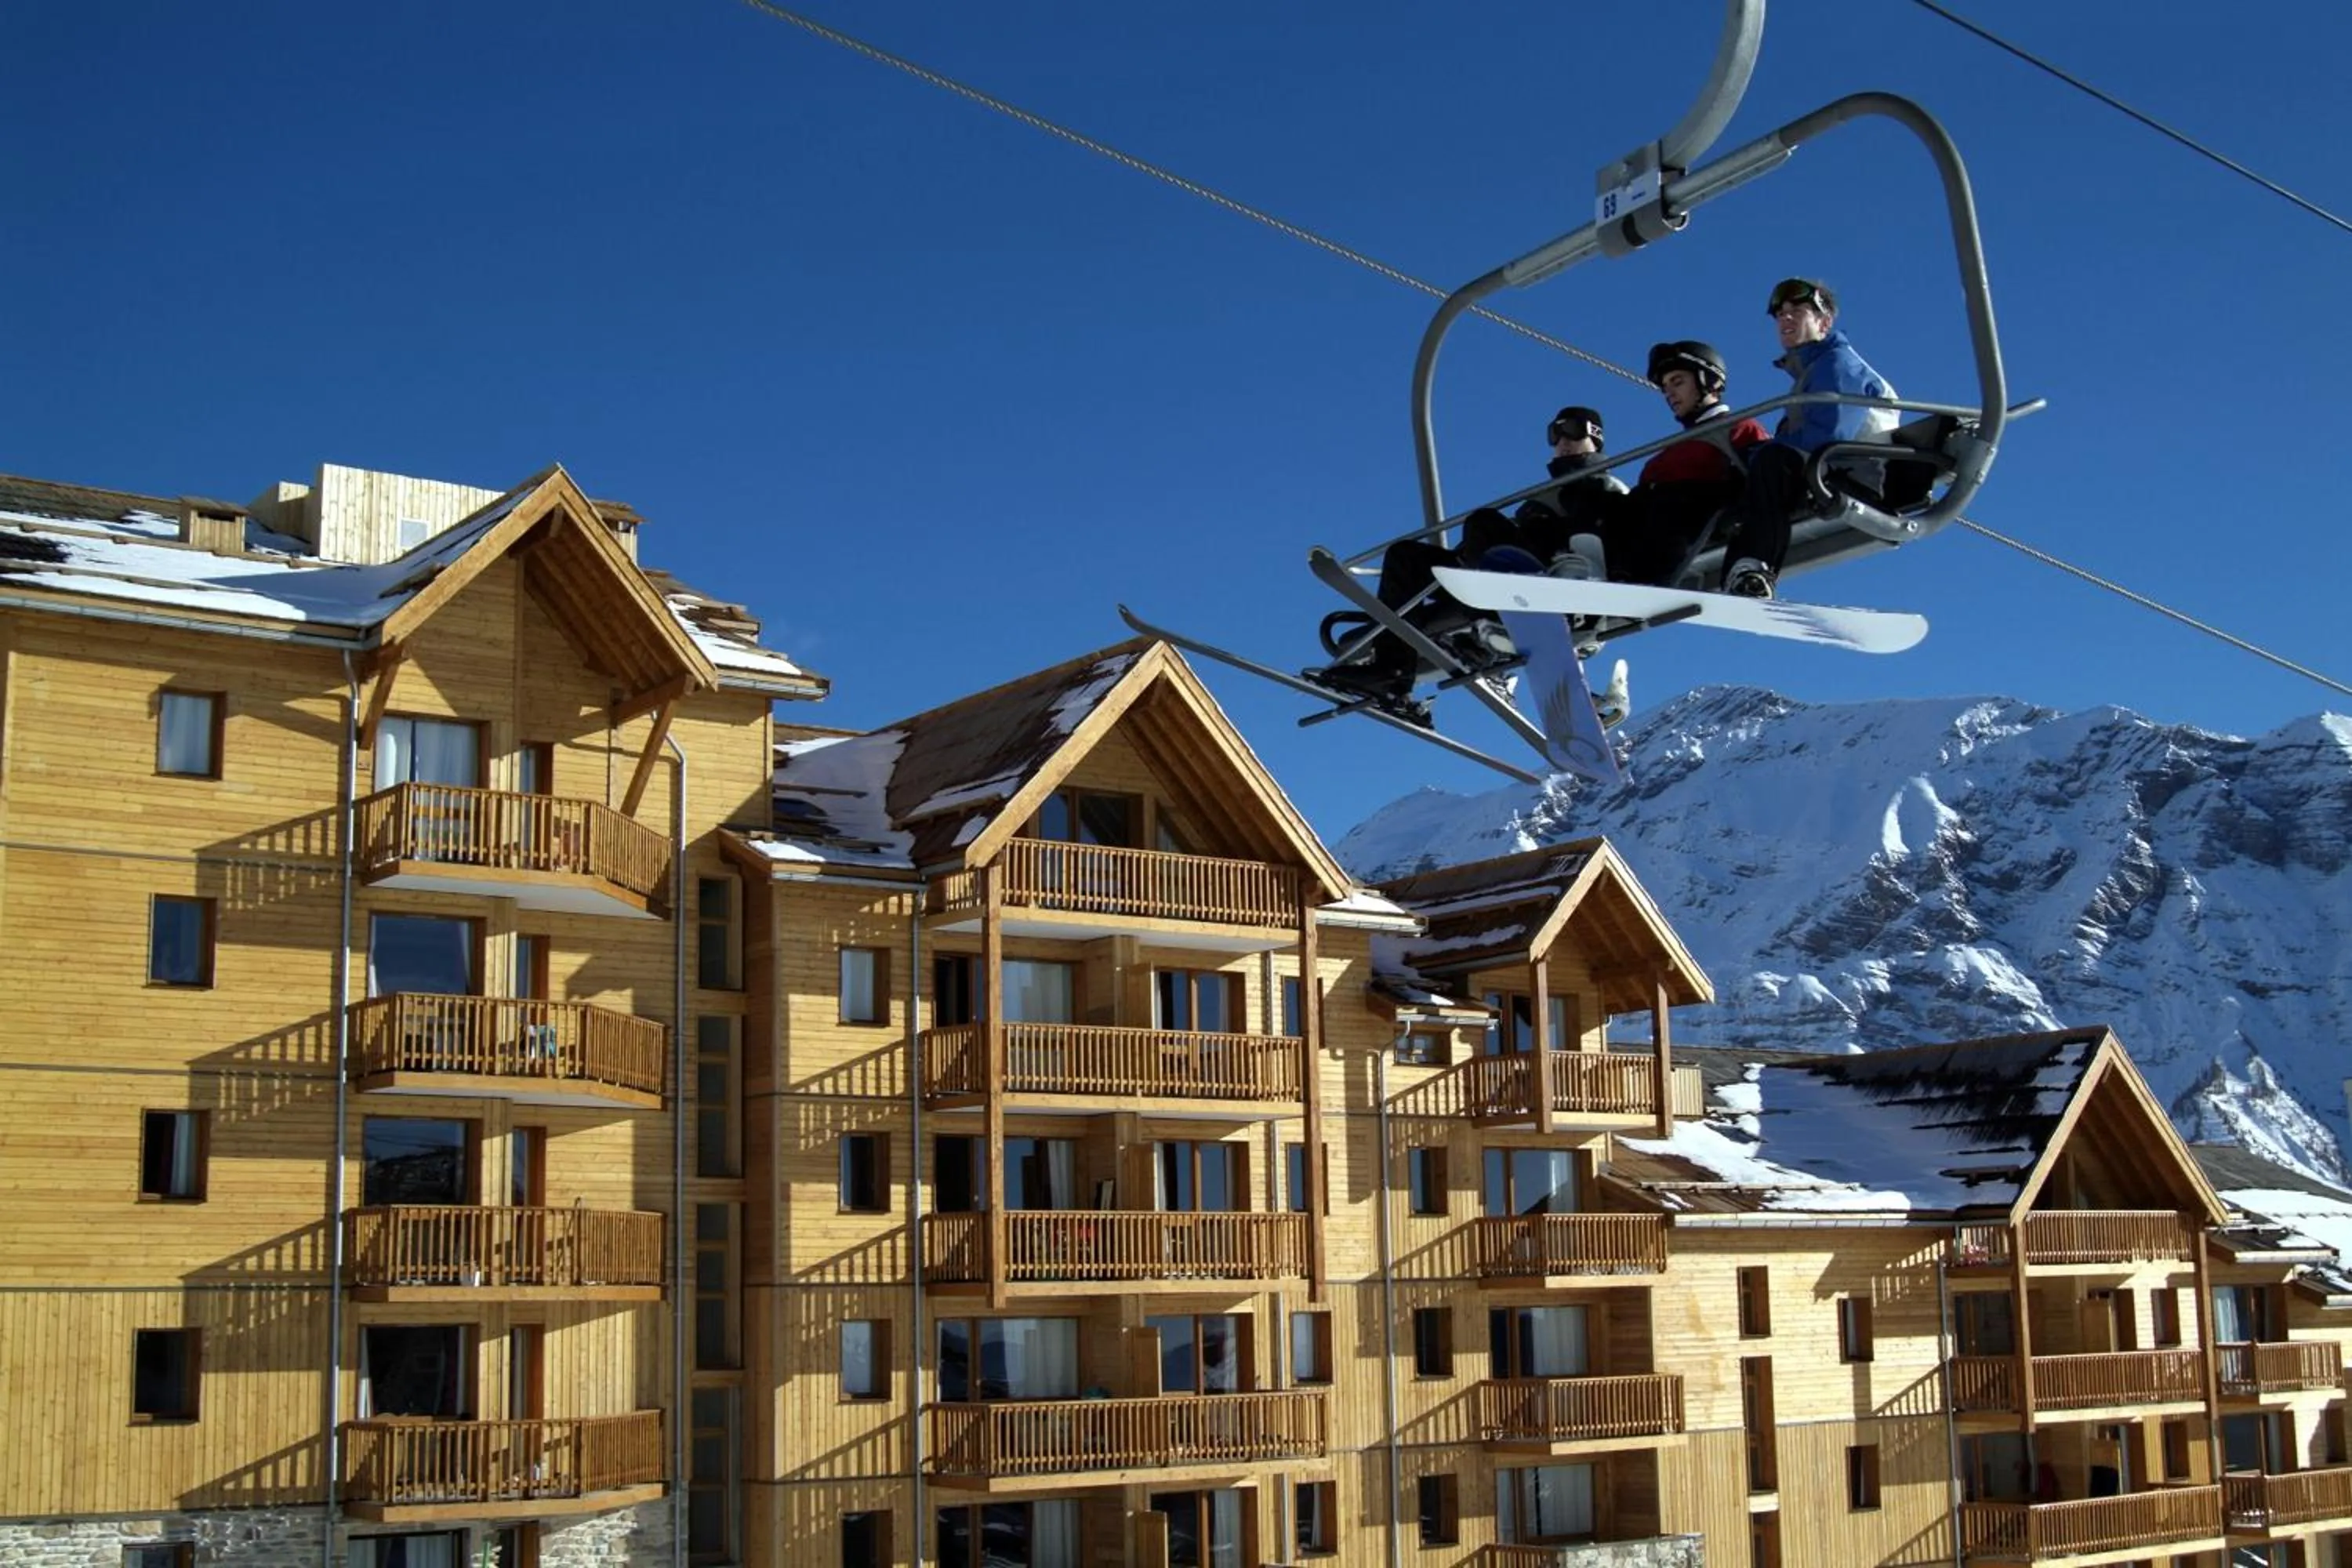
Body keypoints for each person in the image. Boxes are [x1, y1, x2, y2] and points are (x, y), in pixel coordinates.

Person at [1311, 405, 1624, 714]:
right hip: (1493, 573)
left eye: (1571, 431)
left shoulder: (1604, 489)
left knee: (1483, 521)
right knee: (1405, 556)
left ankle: (1491, 631)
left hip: (1545, 585)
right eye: (1554, 434)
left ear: (1595, 437)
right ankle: (1392, 674)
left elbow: (1600, 553)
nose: (1561, 441)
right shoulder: (1543, 495)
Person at [1715, 277, 1895, 598]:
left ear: (1823, 321)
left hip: (1849, 475)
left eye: (1797, 311)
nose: (1785, 318)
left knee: (1771, 461)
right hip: (1823, 470)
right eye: (1780, 314)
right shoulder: (1810, 374)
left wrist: (1765, 452)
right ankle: (1733, 572)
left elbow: (1831, 432)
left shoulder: (1839, 365)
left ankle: (1755, 568)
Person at [1551, 341, 1769, 589]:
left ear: (1708, 381)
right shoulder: (1670, 450)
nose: (1670, 394)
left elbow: (1761, 477)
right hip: (1652, 512)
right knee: (1592, 497)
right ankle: (1584, 572)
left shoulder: (1739, 427)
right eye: (1665, 388)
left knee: (1667, 503)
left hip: (1695, 510)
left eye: (1677, 383)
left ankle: (1641, 580)